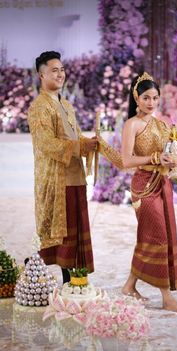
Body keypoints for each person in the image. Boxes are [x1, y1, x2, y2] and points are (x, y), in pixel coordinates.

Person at [119, 72, 177, 312]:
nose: (151, 103)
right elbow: (125, 160)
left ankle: (129, 286)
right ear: (136, 98)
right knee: (157, 235)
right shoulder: (132, 124)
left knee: (156, 235)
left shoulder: (162, 124)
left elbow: (170, 150)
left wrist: (175, 160)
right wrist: (155, 157)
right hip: (143, 186)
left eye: (155, 98)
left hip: (162, 183)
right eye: (146, 97)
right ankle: (166, 297)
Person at [27, 51, 97, 284]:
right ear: (41, 75)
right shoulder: (39, 107)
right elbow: (46, 144)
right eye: (54, 70)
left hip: (75, 176)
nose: (60, 74)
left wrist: (89, 144)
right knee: (61, 233)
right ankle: (64, 280)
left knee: (75, 230)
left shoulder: (65, 104)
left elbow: (75, 137)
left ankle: (75, 279)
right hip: (57, 180)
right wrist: (79, 146)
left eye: (62, 70)